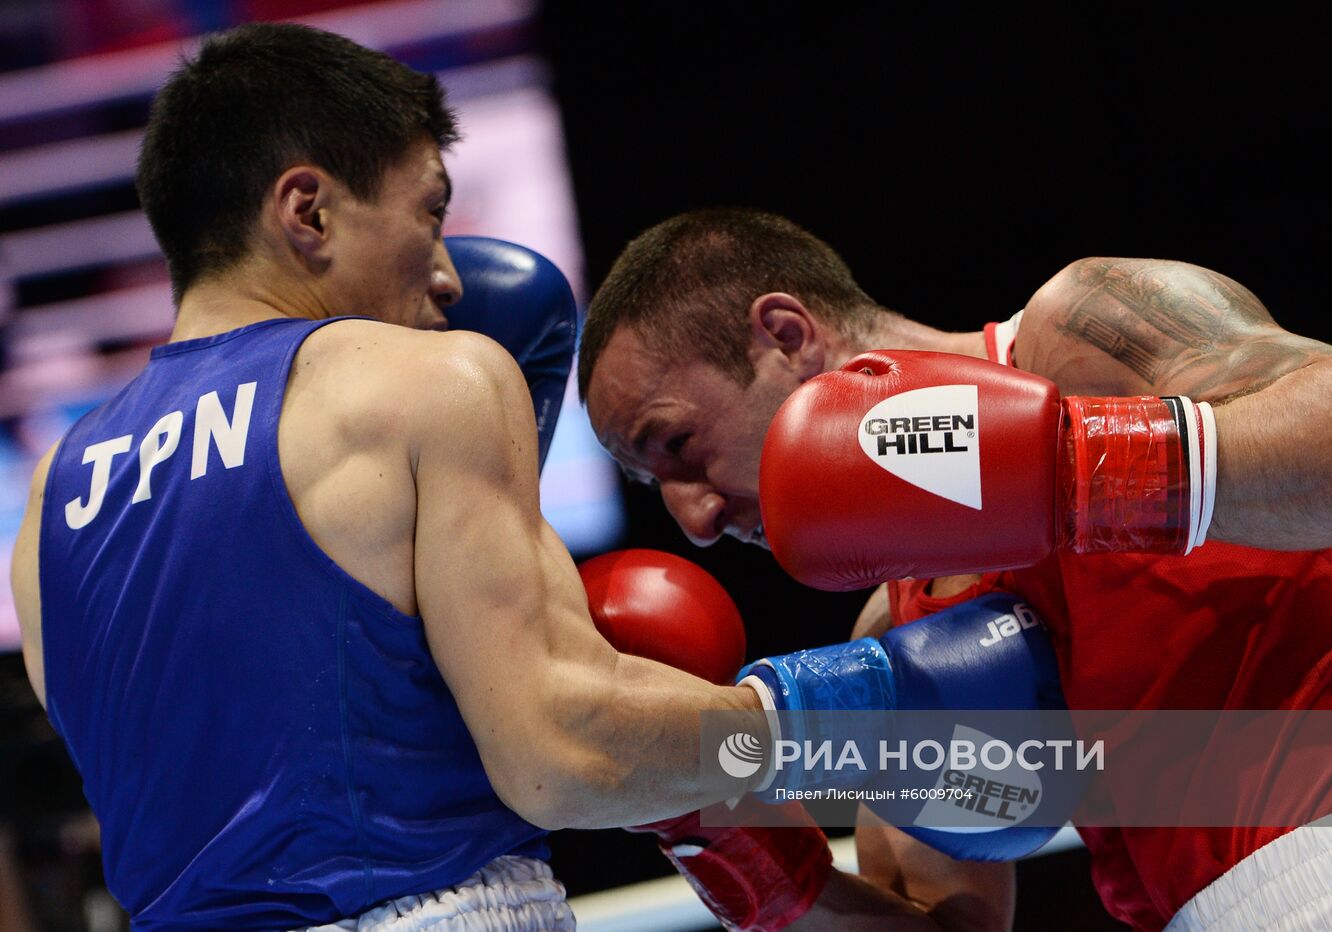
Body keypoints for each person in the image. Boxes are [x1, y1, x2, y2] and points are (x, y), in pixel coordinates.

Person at [2, 24, 811, 930]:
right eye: (431, 211)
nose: (448, 273)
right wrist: (875, 725)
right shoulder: (427, 381)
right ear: (306, 211)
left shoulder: (48, 502)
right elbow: (561, 755)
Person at [578, 206, 1332, 930]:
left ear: (786, 335)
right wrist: (715, 822)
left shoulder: (1074, 333)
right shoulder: (902, 631)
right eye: (657, 490)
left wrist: (1063, 469)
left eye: (677, 445)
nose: (695, 519)